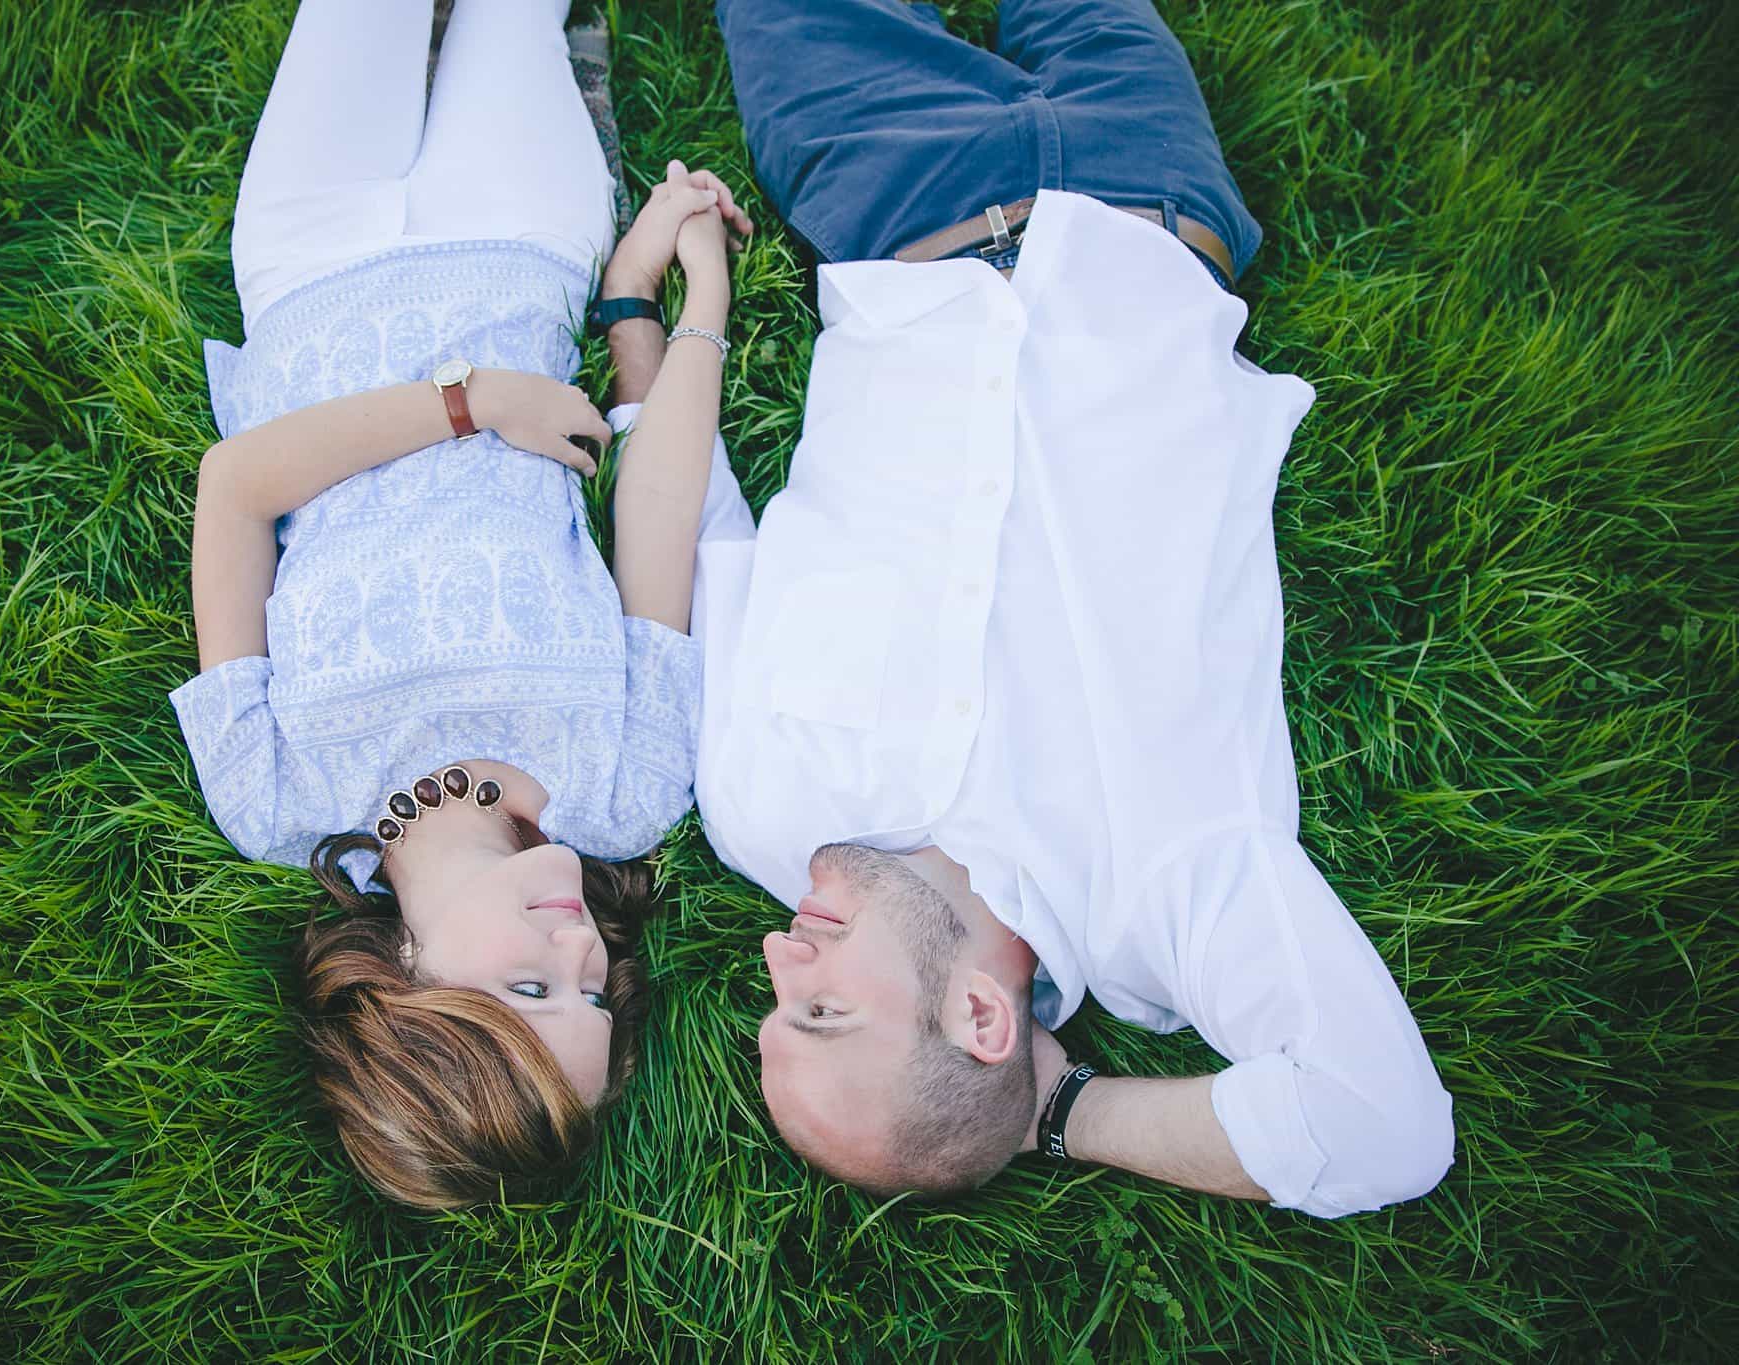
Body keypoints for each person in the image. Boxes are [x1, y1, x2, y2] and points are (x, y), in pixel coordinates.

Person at [690, 0, 1455, 1216]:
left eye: (779, 994)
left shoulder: (766, 812)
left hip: (896, 202)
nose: (780, 956)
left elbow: (701, 537)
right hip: (1141, 195)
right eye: (821, 1006)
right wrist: (1057, 1113)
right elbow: (1376, 1130)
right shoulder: (1165, 885)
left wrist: (652, 331)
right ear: (982, 1015)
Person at [170, 0, 749, 1209]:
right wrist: (684, 297)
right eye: (593, 994)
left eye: (531, 989)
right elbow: (657, 516)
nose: (582, 953)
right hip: (513, 245)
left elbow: (234, 491)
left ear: (406, 975)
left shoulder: (270, 795)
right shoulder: (625, 790)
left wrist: (472, 403)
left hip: (305, 270)